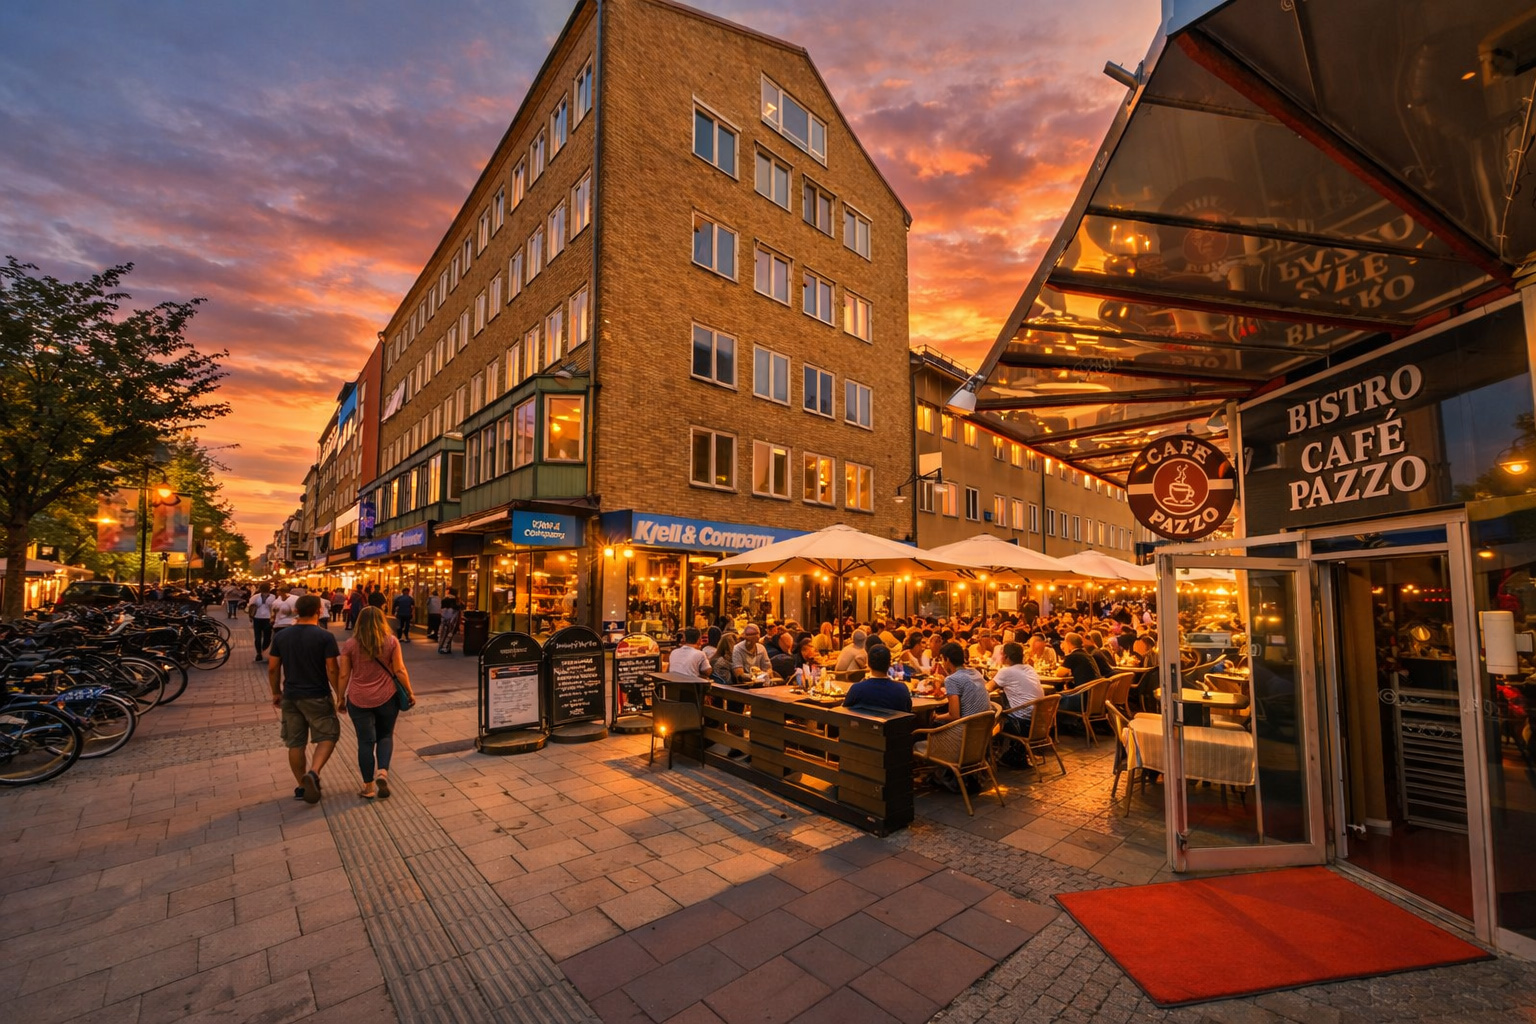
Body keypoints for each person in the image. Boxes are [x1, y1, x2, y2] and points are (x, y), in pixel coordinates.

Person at [267, 594, 341, 804]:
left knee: (295, 743)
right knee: (328, 735)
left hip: (291, 695)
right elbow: (332, 669)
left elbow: (273, 668)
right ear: (319, 610)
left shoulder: (281, 636)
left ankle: (301, 785)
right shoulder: (324, 637)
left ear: (296, 611)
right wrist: (339, 694)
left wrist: (275, 692)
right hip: (317, 695)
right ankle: (314, 772)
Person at [338, 606, 414, 799]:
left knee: (365, 742)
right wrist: (410, 692)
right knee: (385, 736)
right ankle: (382, 772)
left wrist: (340, 697)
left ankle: (368, 787)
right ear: (382, 621)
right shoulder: (391, 641)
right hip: (387, 696)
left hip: (358, 698)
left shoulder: (350, 644)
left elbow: (344, 673)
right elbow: (400, 670)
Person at [993, 642, 1044, 765]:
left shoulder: (1006, 672)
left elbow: (987, 688)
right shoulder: (1029, 668)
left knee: (992, 715)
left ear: (1006, 656)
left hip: (1021, 724)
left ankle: (992, 755)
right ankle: (1012, 752)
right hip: (1039, 722)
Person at [934, 641, 990, 724]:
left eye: (942, 659)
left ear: (947, 659)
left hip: (966, 731)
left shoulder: (951, 680)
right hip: (985, 728)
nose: (942, 663)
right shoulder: (975, 672)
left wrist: (936, 717)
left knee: (930, 724)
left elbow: (954, 716)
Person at [844, 645, 911, 713]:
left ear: (868, 664)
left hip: (867, 723)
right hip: (896, 724)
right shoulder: (901, 689)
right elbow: (908, 711)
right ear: (889, 664)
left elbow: (844, 712)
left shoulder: (857, 689)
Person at [246, 582, 277, 661]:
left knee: (257, 637)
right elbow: (275, 608)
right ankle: (265, 652)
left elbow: (250, 607)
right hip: (268, 618)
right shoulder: (273, 597)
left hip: (257, 618)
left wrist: (250, 616)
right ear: (269, 588)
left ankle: (258, 653)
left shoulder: (255, 597)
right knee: (267, 637)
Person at [438, 590, 461, 654]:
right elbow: (457, 609)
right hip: (451, 621)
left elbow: (442, 609)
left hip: (444, 620)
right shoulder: (454, 600)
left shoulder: (445, 599)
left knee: (443, 634)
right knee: (449, 635)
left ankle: (441, 646)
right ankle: (446, 647)